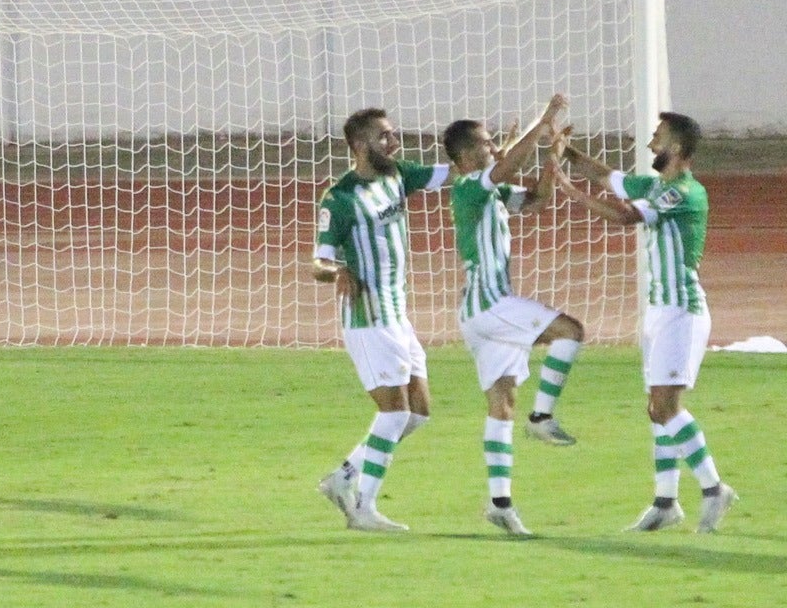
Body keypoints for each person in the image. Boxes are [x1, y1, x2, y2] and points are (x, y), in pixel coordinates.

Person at [551, 112, 738, 533]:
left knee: (666, 407)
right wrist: (569, 154)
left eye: (659, 137)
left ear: (678, 149)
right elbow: (610, 178)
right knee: (656, 411)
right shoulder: (658, 186)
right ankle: (665, 503)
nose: (652, 141)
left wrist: (566, 190)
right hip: (658, 312)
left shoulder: (684, 193)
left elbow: (623, 217)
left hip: (681, 312)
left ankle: (713, 489)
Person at [443, 94, 585, 537]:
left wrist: (552, 157)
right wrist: (541, 124)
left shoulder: (492, 191)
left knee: (501, 404)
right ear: (468, 155)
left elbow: (538, 200)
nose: (493, 148)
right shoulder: (468, 186)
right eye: (486, 144)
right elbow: (503, 168)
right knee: (570, 331)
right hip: (490, 305)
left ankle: (500, 504)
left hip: (478, 314)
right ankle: (543, 420)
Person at [312, 107, 451, 532]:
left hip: (397, 314)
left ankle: (343, 478)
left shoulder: (399, 175)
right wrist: (339, 271)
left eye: (393, 135)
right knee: (393, 414)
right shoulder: (341, 199)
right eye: (383, 137)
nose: (393, 143)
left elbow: (455, 172)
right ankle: (364, 508)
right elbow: (318, 262)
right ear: (359, 146)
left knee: (417, 415)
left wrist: (497, 153)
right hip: (368, 318)